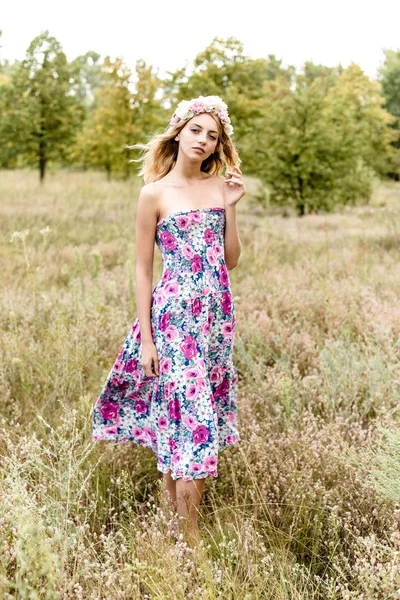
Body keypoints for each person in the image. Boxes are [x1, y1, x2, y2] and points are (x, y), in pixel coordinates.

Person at [92, 95, 246, 547]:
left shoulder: (220, 187)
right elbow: (143, 269)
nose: (203, 140)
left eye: (212, 135)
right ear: (178, 131)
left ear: (218, 145)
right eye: (196, 130)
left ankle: (173, 529)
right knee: (194, 425)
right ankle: (190, 543)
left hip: (215, 321)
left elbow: (230, 260)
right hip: (173, 321)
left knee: (186, 424)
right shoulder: (153, 194)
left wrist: (232, 206)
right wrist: (146, 339)